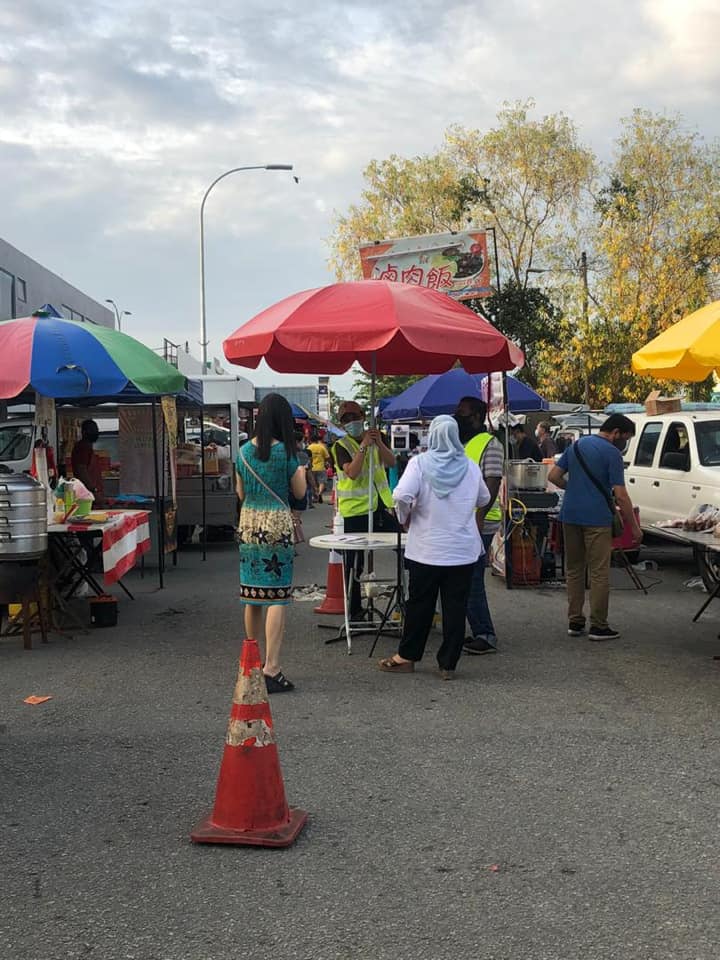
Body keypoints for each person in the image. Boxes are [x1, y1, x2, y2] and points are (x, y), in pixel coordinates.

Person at [378, 416, 490, 679]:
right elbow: (484, 497)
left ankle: (407, 656)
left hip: (426, 550)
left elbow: (401, 495)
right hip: (462, 550)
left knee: (420, 605)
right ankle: (448, 664)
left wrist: (405, 517)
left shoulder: (420, 463)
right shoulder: (470, 467)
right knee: (455, 607)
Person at [548, 413, 642, 641]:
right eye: (625, 438)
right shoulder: (612, 454)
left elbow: (554, 476)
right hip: (597, 518)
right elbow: (620, 495)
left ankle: (575, 621)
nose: (624, 443)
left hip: (570, 515)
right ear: (616, 433)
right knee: (599, 572)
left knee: (574, 569)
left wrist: (574, 489)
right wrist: (634, 527)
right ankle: (599, 625)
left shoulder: (577, 445)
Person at [235, 393, 307, 692]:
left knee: (252, 594)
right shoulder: (287, 454)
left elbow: (240, 494)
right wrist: (300, 472)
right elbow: (300, 494)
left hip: (250, 524)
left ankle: (252, 663)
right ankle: (272, 667)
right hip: (276, 525)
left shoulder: (241, 453)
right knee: (276, 596)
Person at [332, 400, 397, 621]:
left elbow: (391, 462)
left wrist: (378, 444)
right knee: (354, 564)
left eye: (354, 417)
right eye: (346, 420)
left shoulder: (378, 438)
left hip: (380, 508)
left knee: (406, 548)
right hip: (356, 512)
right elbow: (352, 472)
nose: (352, 423)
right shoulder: (341, 446)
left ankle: (404, 600)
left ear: (362, 416)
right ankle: (355, 611)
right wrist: (362, 447)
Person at [454, 397, 503, 655]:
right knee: (464, 577)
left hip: (480, 521)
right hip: (465, 520)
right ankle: (475, 629)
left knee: (472, 579)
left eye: (461, 413)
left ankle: (485, 634)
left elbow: (492, 482)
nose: (457, 417)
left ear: (476, 416)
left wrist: (480, 515)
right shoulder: (465, 443)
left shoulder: (490, 444)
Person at [71, 419, 104, 504]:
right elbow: (82, 471)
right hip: (88, 495)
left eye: (96, 429)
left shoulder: (88, 447)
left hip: (92, 493)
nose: (96, 432)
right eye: (92, 430)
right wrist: (93, 490)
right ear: (84, 432)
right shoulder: (83, 447)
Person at [307, 433, 330, 503]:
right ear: (317, 440)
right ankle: (320, 493)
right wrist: (325, 462)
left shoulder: (309, 448)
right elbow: (327, 457)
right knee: (322, 482)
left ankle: (315, 495)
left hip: (312, 468)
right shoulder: (321, 447)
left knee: (313, 483)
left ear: (310, 440)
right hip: (321, 467)